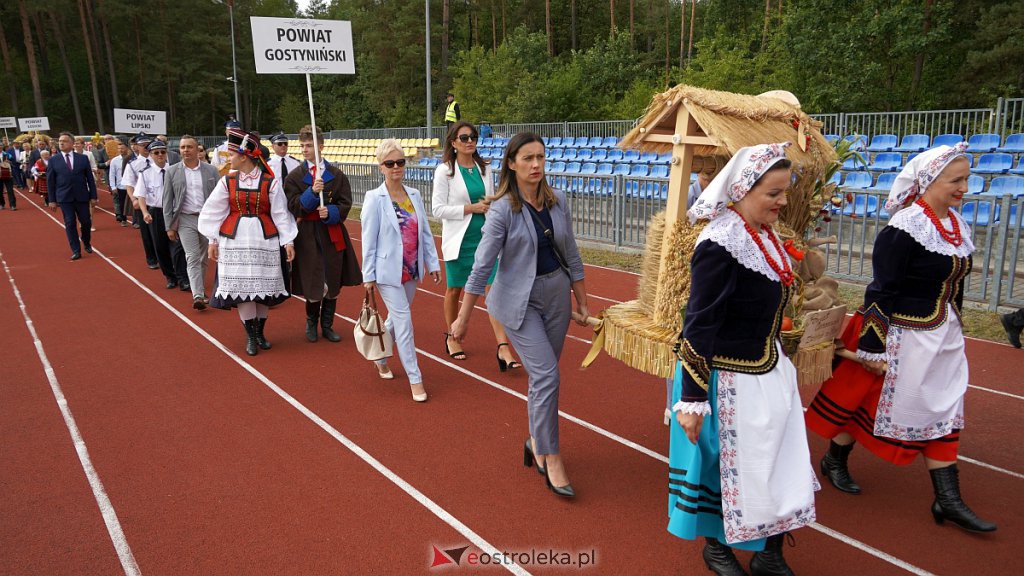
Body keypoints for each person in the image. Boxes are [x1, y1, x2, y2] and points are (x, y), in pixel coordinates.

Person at [806, 142, 996, 533]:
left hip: (941, 333)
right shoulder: (904, 227)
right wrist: (874, 344)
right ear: (930, 181)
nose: (965, 188)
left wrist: (954, 323)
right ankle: (835, 459)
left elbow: (953, 284)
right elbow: (882, 289)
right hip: (901, 332)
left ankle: (948, 500)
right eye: (956, 180)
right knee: (866, 402)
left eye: (967, 179)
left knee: (944, 409)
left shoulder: (955, 225)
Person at [669, 143, 818, 575]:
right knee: (731, 466)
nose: (782, 201)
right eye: (773, 193)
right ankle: (718, 547)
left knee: (779, 459)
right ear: (743, 190)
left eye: (785, 191)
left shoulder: (765, 236)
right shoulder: (721, 243)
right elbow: (698, 324)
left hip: (768, 368)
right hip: (729, 376)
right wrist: (693, 399)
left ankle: (770, 552)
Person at [450, 133, 589, 499]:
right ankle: (551, 455)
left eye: (541, 157)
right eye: (527, 158)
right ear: (511, 163)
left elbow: (571, 254)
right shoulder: (502, 209)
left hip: (556, 297)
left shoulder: (558, 203)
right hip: (519, 302)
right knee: (547, 375)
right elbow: (481, 267)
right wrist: (463, 319)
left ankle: (534, 441)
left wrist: (582, 301)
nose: (536, 165)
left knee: (543, 380)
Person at [199, 127, 297, 355]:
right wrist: (213, 239)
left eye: (232, 154)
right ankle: (251, 336)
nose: (228, 158)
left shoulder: (270, 182)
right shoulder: (228, 181)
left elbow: (281, 214)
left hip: (265, 240)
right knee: (243, 289)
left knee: (263, 289)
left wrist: (288, 241)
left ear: (244, 156)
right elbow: (212, 211)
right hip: (235, 241)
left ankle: (260, 332)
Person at [432, 121, 521, 370]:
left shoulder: (484, 168)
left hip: (484, 238)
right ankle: (452, 336)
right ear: (453, 143)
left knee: (492, 291)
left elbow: (491, 199)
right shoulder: (445, 171)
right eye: (464, 137)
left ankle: (502, 346)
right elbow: (437, 209)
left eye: (473, 137)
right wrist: (470, 208)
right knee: (455, 290)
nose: (470, 141)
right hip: (459, 240)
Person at [360, 139, 440, 402]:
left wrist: (433, 263)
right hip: (386, 272)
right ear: (381, 166)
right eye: (390, 163)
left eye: (400, 162)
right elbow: (368, 240)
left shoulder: (414, 195)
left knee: (396, 318)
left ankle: (381, 358)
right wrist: (368, 276)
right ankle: (415, 379)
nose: (396, 167)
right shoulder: (374, 198)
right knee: (404, 323)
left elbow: (425, 233)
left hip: (411, 269)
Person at [284, 125, 361, 343]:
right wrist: (312, 193)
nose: (305, 149)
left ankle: (327, 325)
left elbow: (346, 203)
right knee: (313, 279)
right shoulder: (294, 177)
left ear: (321, 146)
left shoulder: (336, 175)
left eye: (309, 145)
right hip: (307, 235)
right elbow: (294, 207)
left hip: (331, 231)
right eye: (302, 146)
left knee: (332, 279)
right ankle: (311, 322)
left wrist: (332, 211)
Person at [163, 135, 220, 309]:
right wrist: (169, 226)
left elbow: (219, 197)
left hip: (206, 218)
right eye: (182, 147)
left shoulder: (211, 171)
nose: (185, 150)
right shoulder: (172, 171)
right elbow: (167, 200)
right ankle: (197, 295)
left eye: (189, 147)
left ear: (197, 150)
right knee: (192, 256)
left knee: (204, 258)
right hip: (185, 218)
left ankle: (200, 290)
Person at [133, 139, 184, 289]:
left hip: (174, 212)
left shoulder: (175, 170)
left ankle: (182, 276)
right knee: (160, 246)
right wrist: (144, 212)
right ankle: (170, 276)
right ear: (151, 155)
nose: (160, 155)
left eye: (163, 152)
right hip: (156, 212)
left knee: (178, 245)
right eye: (156, 152)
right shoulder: (145, 174)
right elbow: (141, 195)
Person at [47, 132, 98, 261]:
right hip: (64, 198)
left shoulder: (82, 158)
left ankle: (86, 241)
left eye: (64, 141)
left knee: (86, 222)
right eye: (60, 141)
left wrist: (93, 196)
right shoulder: (53, 160)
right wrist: (52, 200)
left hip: (82, 196)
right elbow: (50, 181)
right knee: (70, 223)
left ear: (71, 143)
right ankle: (76, 250)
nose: (61, 143)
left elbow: (90, 179)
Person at [123, 133, 161, 269]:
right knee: (147, 233)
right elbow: (129, 184)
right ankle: (151, 258)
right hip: (143, 202)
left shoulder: (158, 160)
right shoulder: (132, 164)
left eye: (147, 144)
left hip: (158, 201)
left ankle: (163, 257)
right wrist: (134, 200)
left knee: (162, 232)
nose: (145, 147)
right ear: (136, 147)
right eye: (142, 145)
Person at [107, 141, 132, 227]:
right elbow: (112, 174)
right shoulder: (115, 160)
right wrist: (113, 186)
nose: (120, 150)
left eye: (122, 148)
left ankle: (136, 221)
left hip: (132, 186)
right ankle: (123, 219)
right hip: (121, 186)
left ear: (127, 149)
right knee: (122, 204)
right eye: (119, 148)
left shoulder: (132, 158)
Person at [0, 143, 15, 210]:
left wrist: (9, 162)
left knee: (10, 190)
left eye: (0, 147)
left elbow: (13, 163)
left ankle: (12, 205)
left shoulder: (7, 154)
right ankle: (1, 204)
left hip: (8, 174)